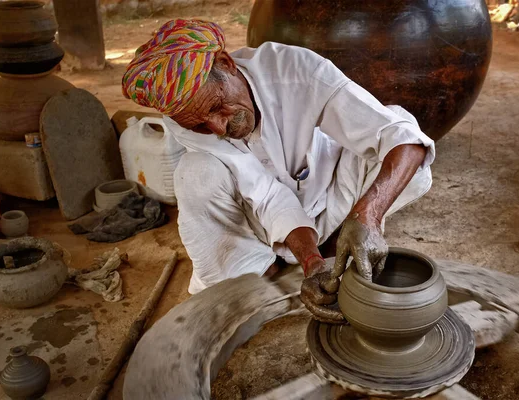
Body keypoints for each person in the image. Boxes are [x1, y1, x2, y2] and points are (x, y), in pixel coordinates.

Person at [122, 19, 435, 323]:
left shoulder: (295, 70)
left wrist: (369, 214)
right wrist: (312, 265)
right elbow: (266, 195)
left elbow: (401, 137)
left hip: (329, 196)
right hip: (256, 221)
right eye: (199, 124)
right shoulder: (184, 120)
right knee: (195, 173)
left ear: (227, 63)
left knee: (403, 144)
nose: (217, 127)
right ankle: (260, 272)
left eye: (218, 107)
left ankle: (342, 245)